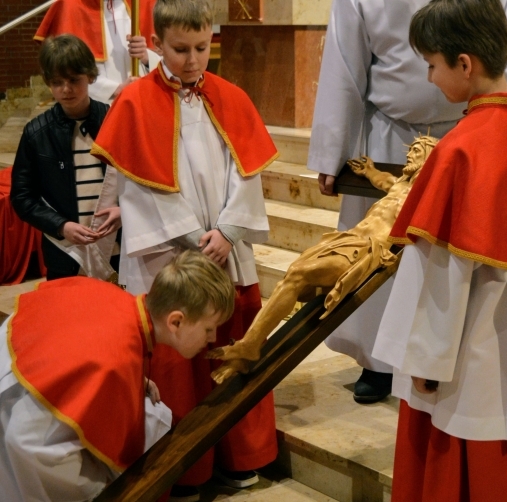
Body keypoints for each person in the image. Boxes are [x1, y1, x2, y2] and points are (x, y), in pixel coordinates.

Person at [370, 1, 507, 500]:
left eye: (431, 64)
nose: (429, 77)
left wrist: (425, 361)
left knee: (469, 440)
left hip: (474, 348)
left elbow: (441, 275)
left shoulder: (461, 149)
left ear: (465, 64)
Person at [307, 0, 507, 404]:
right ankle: (379, 360)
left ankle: (455, 352)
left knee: (451, 257)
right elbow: (343, 63)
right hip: (390, 131)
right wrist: (332, 151)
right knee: (383, 249)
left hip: (473, 127)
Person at [91, 0, 278, 498]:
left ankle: (241, 457)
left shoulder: (231, 96)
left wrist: (229, 231)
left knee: (233, 352)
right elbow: (140, 187)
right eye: (180, 49)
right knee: (178, 365)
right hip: (168, 256)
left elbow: (247, 171)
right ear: (155, 44)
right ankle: (186, 468)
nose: (193, 59)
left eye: (202, 47)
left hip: (226, 251)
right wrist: (195, 240)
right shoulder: (134, 102)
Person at [0, 250, 236, 502]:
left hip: (15, 372)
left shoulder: (111, 295)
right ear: (176, 322)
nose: (212, 338)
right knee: (153, 428)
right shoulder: (115, 359)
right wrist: (102, 488)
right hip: (18, 431)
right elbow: (29, 444)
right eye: (209, 329)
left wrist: (131, 377)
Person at [208, 136, 438, 381]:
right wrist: (369, 170)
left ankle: (249, 345)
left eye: (416, 150)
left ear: (430, 156)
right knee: (293, 274)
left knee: (299, 275)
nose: (409, 155)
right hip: (349, 240)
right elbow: (380, 179)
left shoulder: (429, 192)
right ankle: (249, 347)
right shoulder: (397, 184)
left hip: (369, 250)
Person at [11, 34, 121, 282]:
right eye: (57, 82)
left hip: (118, 250)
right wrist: (61, 226)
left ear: (90, 76)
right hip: (66, 254)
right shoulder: (36, 133)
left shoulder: (115, 121)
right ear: (48, 82)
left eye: (74, 80)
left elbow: (140, 180)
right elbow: (22, 196)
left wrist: (124, 210)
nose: (66, 89)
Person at [35, 0, 161, 103]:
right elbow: (62, 67)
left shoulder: (144, 3)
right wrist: (114, 89)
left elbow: (167, 62)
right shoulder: (69, 5)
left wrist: (147, 57)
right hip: (96, 105)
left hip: (140, 99)